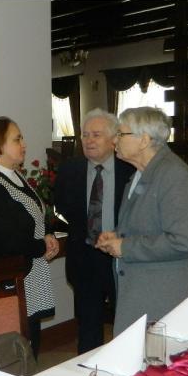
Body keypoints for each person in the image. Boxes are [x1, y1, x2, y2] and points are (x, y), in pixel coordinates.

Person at [96, 107, 188, 335]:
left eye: (121, 134)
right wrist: (117, 236)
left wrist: (126, 247)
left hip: (169, 303)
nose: (114, 140)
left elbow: (185, 240)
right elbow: (147, 224)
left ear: (144, 140)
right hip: (148, 298)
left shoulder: (174, 175)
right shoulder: (140, 174)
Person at [0, 116, 59, 359]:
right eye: (17, 139)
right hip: (9, 279)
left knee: (30, 346)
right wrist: (42, 246)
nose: (24, 144)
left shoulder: (13, 175)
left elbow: (34, 214)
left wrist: (48, 234)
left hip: (29, 275)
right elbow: (8, 240)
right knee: (16, 353)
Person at [54, 109, 134, 353]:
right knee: (88, 329)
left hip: (121, 258)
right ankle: (89, 370)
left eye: (96, 135)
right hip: (84, 258)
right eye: (85, 135)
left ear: (113, 139)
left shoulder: (130, 170)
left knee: (128, 324)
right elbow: (62, 207)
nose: (89, 140)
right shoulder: (70, 170)